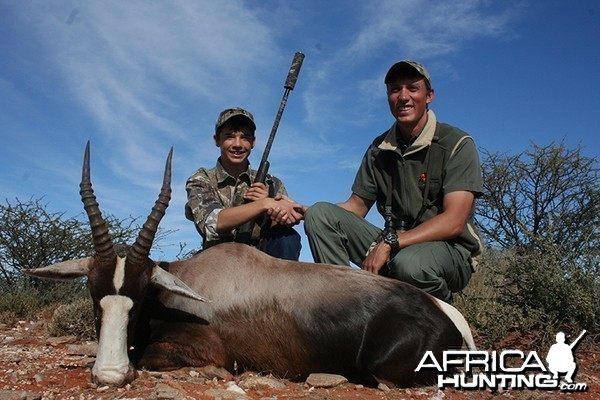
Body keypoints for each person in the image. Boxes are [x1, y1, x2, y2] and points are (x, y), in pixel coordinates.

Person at [304, 60, 483, 302]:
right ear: (388, 96)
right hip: (394, 247)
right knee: (320, 214)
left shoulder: (456, 143)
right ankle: (346, 308)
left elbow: (454, 222)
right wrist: (304, 210)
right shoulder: (379, 148)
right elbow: (356, 206)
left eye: (412, 88)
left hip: (447, 251)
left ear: (429, 96)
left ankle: (446, 318)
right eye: (395, 89)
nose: (403, 97)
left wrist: (391, 242)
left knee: (409, 266)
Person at [185, 107, 303, 260]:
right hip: (217, 261)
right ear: (217, 140)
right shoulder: (201, 180)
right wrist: (264, 204)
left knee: (287, 237)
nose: (238, 144)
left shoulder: (272, 182)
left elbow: (287, 221)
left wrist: (273, 213)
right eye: (229, 136)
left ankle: (283, 283)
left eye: (245, 137)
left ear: (253, 142)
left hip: (262, 262)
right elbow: (212, 222)